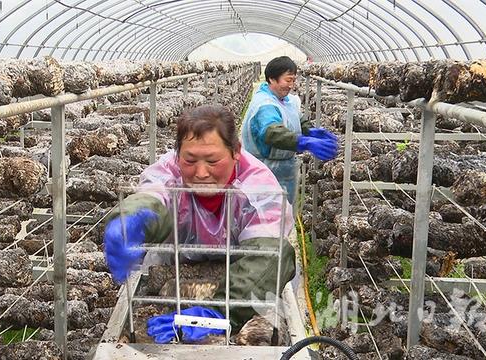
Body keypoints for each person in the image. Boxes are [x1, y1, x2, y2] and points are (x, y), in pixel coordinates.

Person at [103, 105, 296, 344]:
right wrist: (131, 220)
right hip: (174, 271)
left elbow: (270, 255)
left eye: (213, 161)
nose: (201, 172)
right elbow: (153, 195)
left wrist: (217, 312)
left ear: (235, 151)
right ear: (178, 154)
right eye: (190, 160)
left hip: (242, 279)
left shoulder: (258, 186)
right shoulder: (169, 172)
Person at [241, 56, 338, 206]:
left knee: (282, 219)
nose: (291, 85)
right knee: (264, 221)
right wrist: (303, 142)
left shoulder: (286, 101)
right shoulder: (264, 104)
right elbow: (272, 132)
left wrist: (309, 130)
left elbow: (296, 118)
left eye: (293, 80)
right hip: (264, 173)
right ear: (272, 79)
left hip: (283, 172)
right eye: (288, 80)